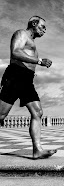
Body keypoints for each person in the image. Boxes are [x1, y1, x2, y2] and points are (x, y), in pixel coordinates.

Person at [0, 16, 57, 159]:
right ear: (34, 23)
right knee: (1, 115)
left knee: (38, 113)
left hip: (26, 80)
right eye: (42, 26)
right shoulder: (21, 34)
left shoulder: (32, 42)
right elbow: (15, 52)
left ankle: (37, 150)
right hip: (14, 77)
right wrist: (39, 61)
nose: (44, 30)